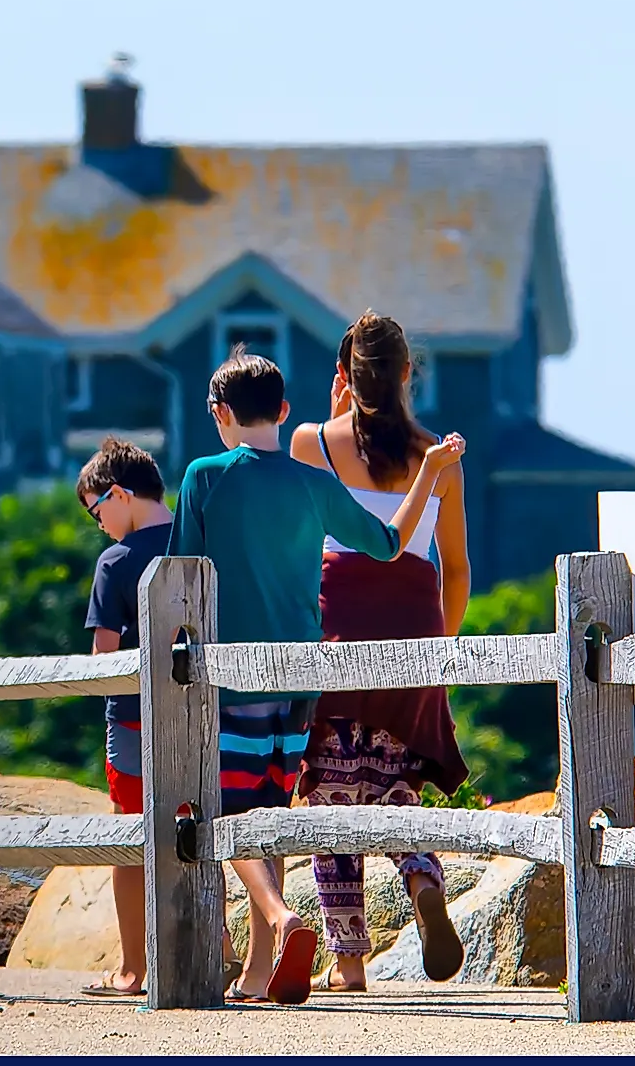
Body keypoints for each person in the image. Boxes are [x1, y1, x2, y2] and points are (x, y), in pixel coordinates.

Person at [171, 347, 463, 1004]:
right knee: (272, 810)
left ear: (220, 413)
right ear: (282, 410)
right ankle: (258, 969)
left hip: (233, 673)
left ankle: (280, 917)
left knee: (226, 811)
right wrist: (433, 472)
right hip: (300, 677)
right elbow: (388, 542)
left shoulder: (203, 476)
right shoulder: (309, 480)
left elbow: (179, 575)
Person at [288, 310, 471, 990]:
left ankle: (349, 960)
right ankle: (421, 875)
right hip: (413, 623)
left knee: (332, 791)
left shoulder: (313, 441)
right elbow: (454, 566)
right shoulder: (439, 457)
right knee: (395, 782)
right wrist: (436, 648)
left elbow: (305, 517)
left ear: (345, 375)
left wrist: (334, 413)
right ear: (405, 374)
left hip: (339, 622)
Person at [70, 436, 171, 998]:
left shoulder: (116, 561)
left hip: (132, 719)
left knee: (129, 838)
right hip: (206, 721)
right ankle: (218, 948)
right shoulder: (199, 538)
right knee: (199, 824)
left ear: (118, 494)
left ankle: (135, 967)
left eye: (96, 510)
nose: (99, 524)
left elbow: (103, 659)